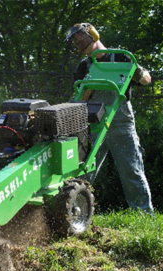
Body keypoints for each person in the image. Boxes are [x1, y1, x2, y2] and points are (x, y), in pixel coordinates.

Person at [64, 23, 154, 213]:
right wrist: (89, 84)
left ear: (93, 35)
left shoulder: (121, 57)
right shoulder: (82, 67)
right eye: (76, 42)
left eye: (80, 39)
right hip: (94, 124)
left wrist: (139, 73)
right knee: (83, 171)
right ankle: (76, 213)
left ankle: (144, 213)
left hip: (121, 122)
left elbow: (147, 79)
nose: (78, 43)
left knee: (132, 169)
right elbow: (79, 99)